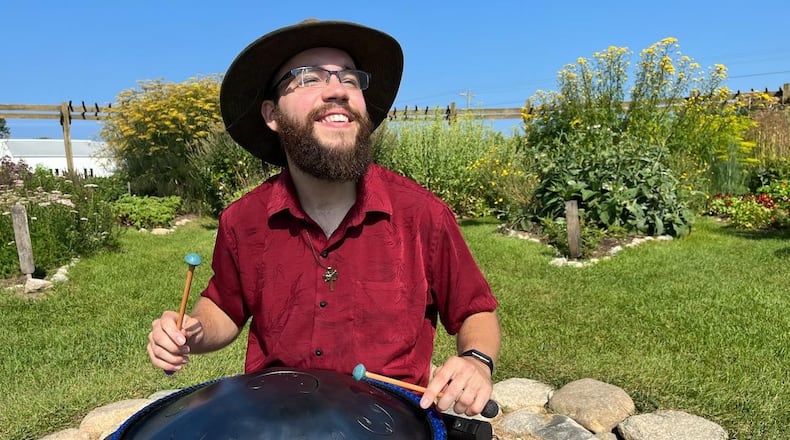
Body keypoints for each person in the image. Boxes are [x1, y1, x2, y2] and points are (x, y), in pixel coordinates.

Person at [147, 19, 501, 417]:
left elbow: (475, 309)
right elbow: (226, 308)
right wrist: (191, 330)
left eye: (350, 79)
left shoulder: (421, 214)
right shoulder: (243, 220)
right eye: (308, 79)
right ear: (272, 114)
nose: (338, 90)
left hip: (390, 423)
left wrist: (476, 361)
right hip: (276, 421)